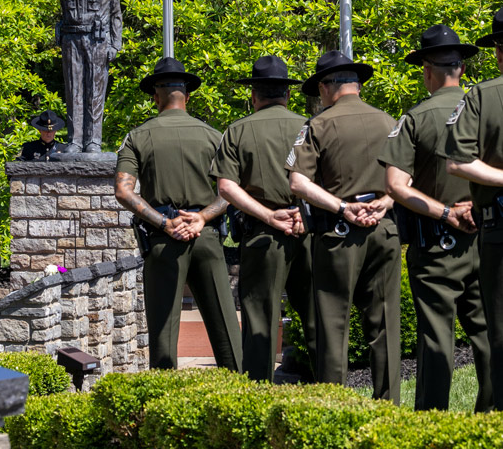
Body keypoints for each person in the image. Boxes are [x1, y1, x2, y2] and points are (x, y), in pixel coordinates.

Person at [380, 24, 492, 411]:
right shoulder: (487, 108)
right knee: (491, 334)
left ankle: (432, 423)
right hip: (489, 235)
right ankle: (490, 419)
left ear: (427, 71)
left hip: (437, 245)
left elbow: (396, 185)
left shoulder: (414, 118)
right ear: (461, 69)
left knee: (436, 338)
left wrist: (446, 212)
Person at [286, 50, 401, 403]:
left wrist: (342, 207)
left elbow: (297, 183)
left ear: (325, 87)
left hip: (339, 232)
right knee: (384, 325)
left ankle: (335, 408)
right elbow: (410, 177)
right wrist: (386, 201)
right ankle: (389, 407)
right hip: (384, 229)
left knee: (333, 326)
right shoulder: (389, 121)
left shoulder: (318, 125)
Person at [114, 57, 242, 371]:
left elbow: (124, 191)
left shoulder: (137, 137)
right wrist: (201, 218)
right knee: (226, 328)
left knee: (163, 333)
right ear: (187, 96)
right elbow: (232, 189)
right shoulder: (215, 136)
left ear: (155, 96)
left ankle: (162, 403)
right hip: (206, 236)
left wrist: (165, 223)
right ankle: (244, 391)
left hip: (162, 238)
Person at [211, 55, 315, 382]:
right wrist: (302, 213)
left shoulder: (238, 130)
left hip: (262, 235)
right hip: (310, 231)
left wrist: (270, 215)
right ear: (287, 94)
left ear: (253, 96)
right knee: (317, 317)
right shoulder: (311, 127)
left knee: (259, 319)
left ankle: (257, 394)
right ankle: (324, 388)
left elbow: (226, 187)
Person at [441, 6, 503, 410]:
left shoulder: (483, 95)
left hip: (499, 227)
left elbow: (458, 160)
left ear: (499, 50)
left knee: (500, 336)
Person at [26, 0, 122, 154]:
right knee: (74, 90)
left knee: (95, 91)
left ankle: (93, 141)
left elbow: (116, 14)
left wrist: (115, 44)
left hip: (97, 40)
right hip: (71, 40)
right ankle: (75, 140)